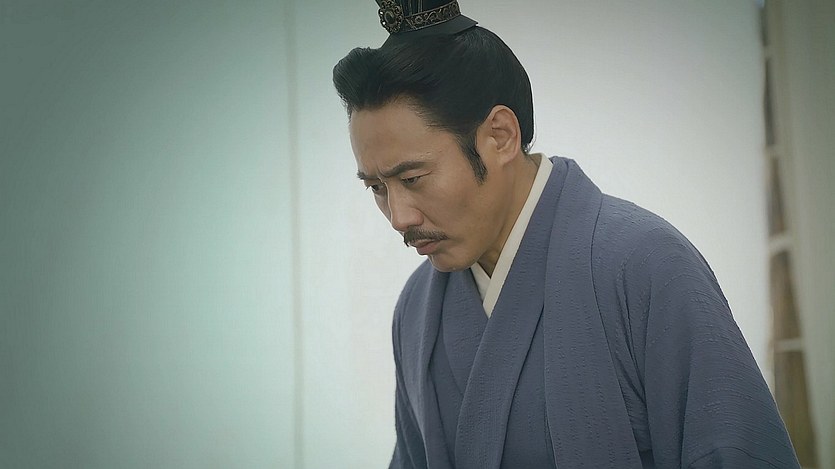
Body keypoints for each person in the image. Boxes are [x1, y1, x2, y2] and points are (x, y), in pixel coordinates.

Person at [333, 1, 801, 468]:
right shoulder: (417, 309)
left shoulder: (647, 265)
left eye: (413, 178)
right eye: (377, 188)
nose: (398, 217)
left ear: (500, 136)